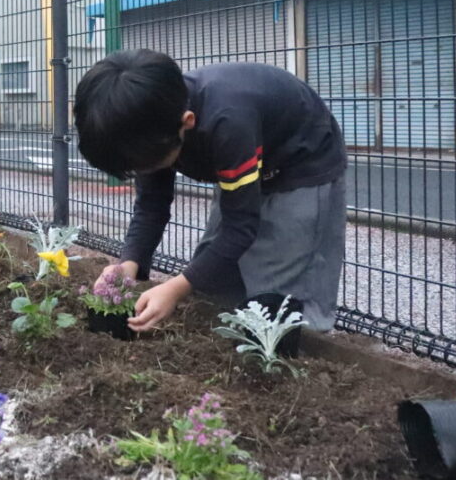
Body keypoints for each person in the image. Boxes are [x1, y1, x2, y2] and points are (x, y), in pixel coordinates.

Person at [74, 50, 347, 350]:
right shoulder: (151, 122)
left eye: (146, 166)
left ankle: (280, 360)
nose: (143, 172)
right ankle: (235, 343)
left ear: (186, 122)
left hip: (301, 161)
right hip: (249, 157)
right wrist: (129, 264)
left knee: (274, 294)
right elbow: (152, 204)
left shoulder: (227, 121)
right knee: (216, 280)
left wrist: (176, 288)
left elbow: (240, 226)